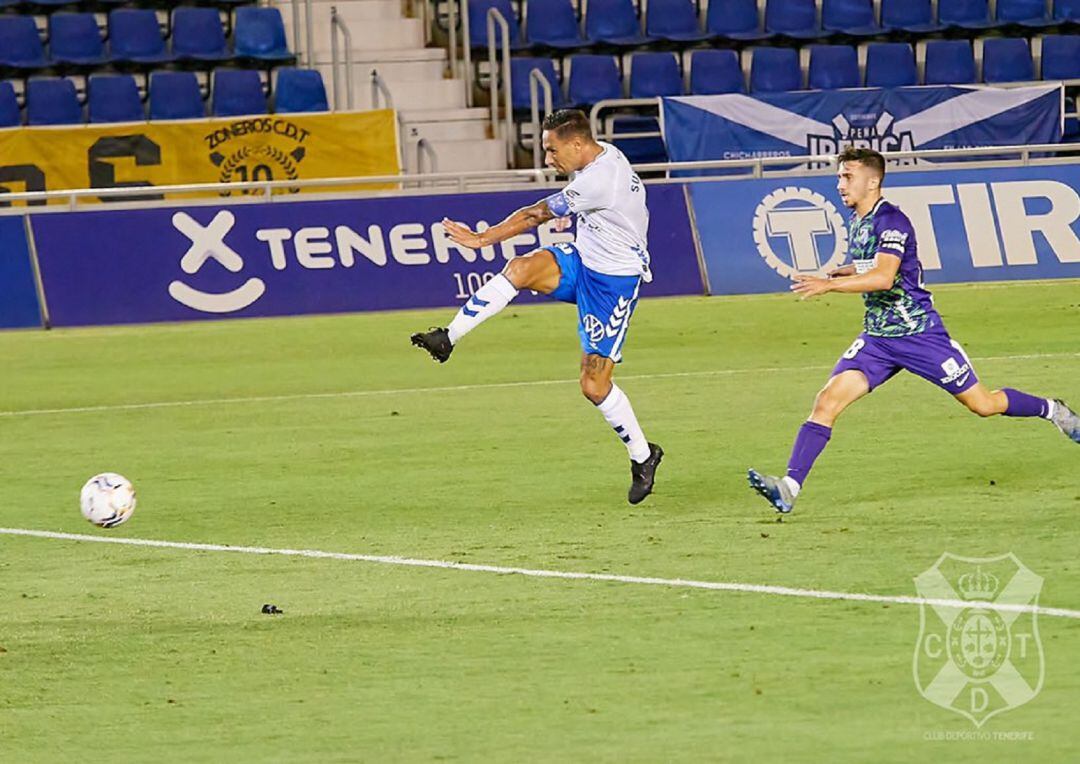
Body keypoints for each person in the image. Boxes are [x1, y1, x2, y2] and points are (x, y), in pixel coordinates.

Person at [748, 146, 1079, 514]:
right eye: (840, 176)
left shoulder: (892, 220)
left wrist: (829, 285)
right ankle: (789, 486)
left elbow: (885, 276)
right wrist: (848, 270)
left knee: (983, 404)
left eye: (847, 176)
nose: (839, 183)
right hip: (877, 340)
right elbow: (876, 267)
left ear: (872, 181)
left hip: (920, 336)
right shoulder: (859, 219)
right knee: (826, 401)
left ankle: (1053, 410)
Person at [411, 109, 664, 504]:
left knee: (593, 385)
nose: (547, 160)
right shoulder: (599, 155)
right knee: (521, 268)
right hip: (582, 260)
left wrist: (482, 239)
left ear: (577, 144)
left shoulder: (600, 179)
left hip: (614, 283)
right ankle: (448, 336)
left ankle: (644, 457)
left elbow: (536, 214)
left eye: (551, 150)